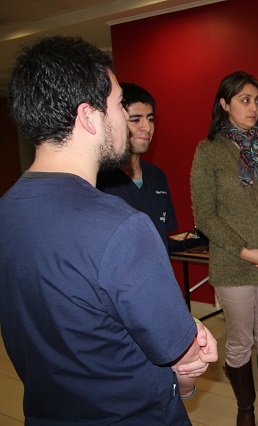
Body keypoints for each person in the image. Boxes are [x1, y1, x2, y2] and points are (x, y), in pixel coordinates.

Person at [0, 36, 218, 425]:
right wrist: (191, 364)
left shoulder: (8, 210)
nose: (125, 121)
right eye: (119, 104)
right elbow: (181, 352)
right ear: (89, 116)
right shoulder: (121, 226)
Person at [191, 71, 258, 426]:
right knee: (240, 341)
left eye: (256, 100)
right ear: (224, 104)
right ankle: (245, 411)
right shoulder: (209, 151)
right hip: (234, 263)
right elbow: (204, 215)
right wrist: (246, 251)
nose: (253, 107)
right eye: (244, 100)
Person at [97, 83, 178, 251]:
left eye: (150, 119)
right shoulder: (99, 180)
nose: (147, 127)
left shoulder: (157, 176)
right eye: (135, 120)